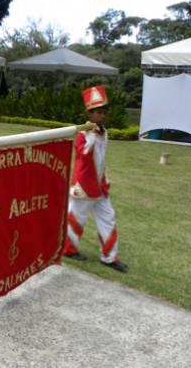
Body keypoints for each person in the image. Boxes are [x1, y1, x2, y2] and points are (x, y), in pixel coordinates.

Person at [62, 85, 128, 273]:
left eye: (104, 112)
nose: (102, 115)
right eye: (98, 112)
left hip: (100, 186)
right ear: (89, 114)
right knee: (75, 219)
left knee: (108, 218)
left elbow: (101, 159)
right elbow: (84, 154)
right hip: (83, 186)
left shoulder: (104, 132)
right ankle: (69, 249)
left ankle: (109, 257)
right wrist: (91, 133)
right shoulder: (83, 135)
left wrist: (104, 179)